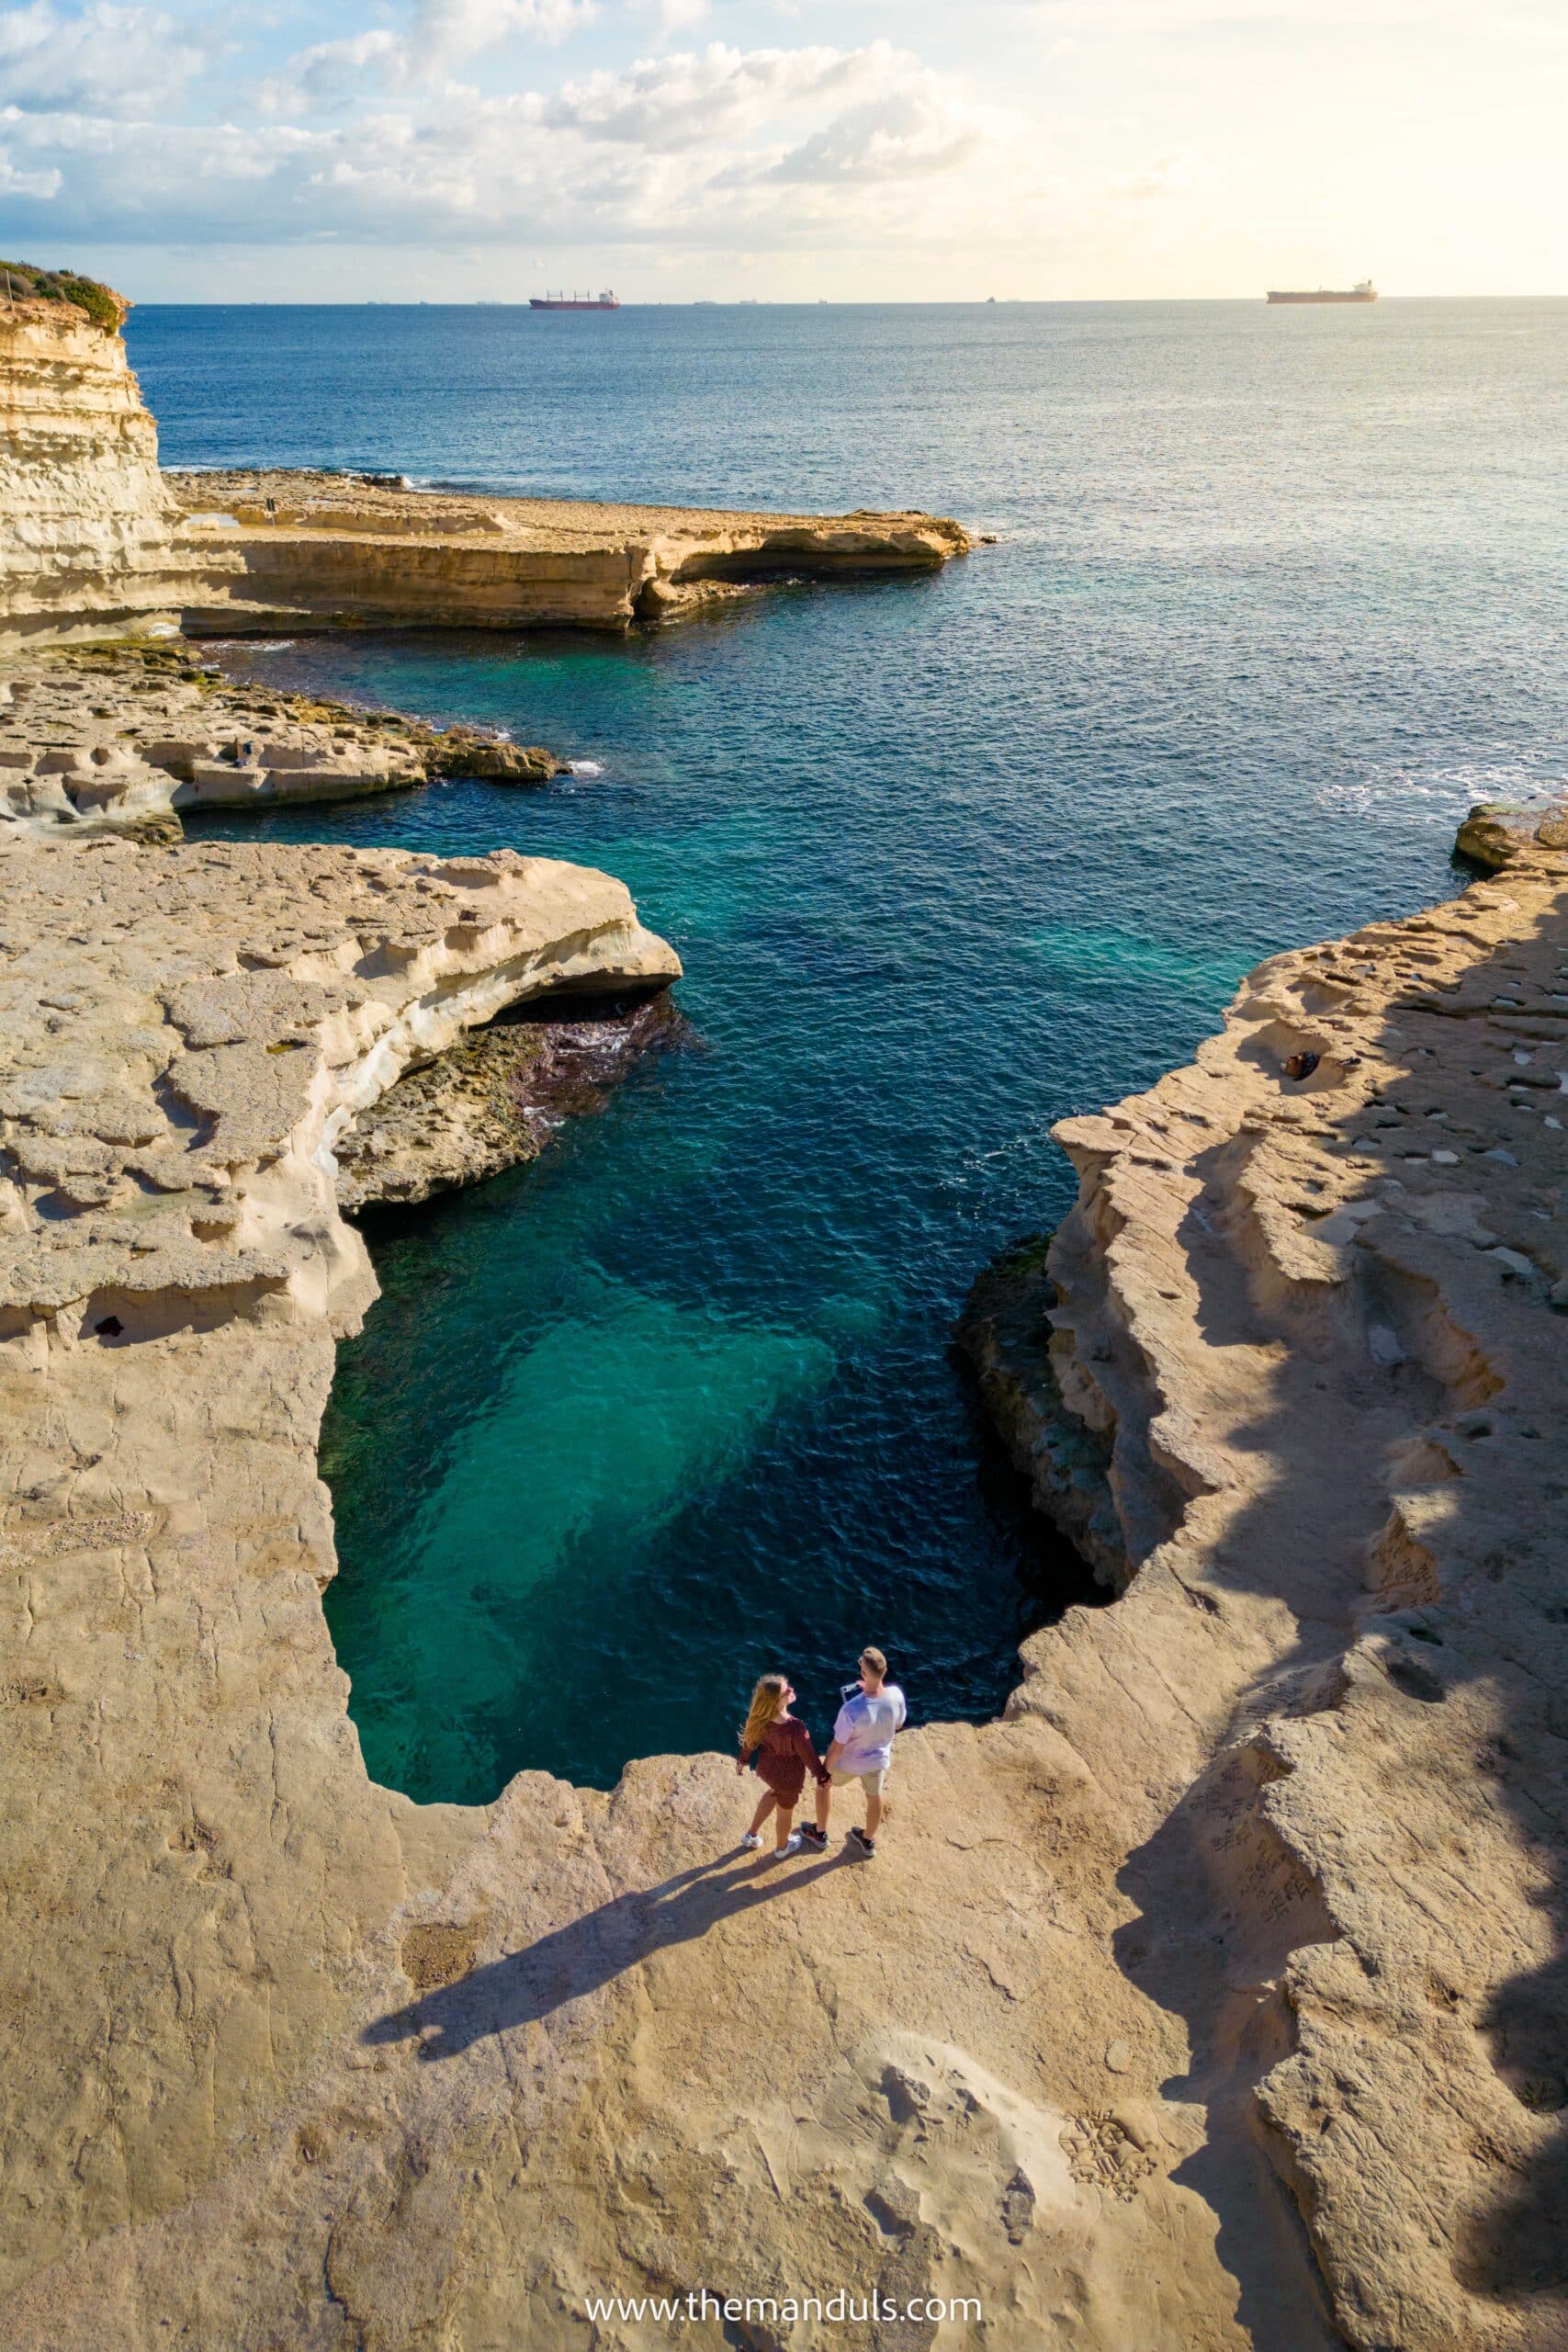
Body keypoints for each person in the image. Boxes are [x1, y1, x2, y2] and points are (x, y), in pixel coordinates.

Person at [813, 1647, 906, 1860]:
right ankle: (868, 1840)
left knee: (823, 1787)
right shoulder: (896, 1695)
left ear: (864, 1674)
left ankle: (819, 1833)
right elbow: (898, 1725)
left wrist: (824, 1771)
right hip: (878, 1761)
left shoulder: (851, 1710)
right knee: (874, 1797)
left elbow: (837, 1747)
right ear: (885, 1670)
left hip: (850, 1763)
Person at [735, 1673, 830, 1858]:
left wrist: (742, 1761)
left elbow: (750, 1742)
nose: (791, 1690)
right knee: (785, 1814)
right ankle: (782, 1848)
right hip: (788, 1779)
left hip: (767, 1771)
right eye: (786, 1691)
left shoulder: (759, 1718)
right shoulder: (795, 1728)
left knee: (773, 1793)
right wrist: (822, 1776)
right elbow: (809, 1757)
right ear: (776, 1701)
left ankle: (751, 1835)